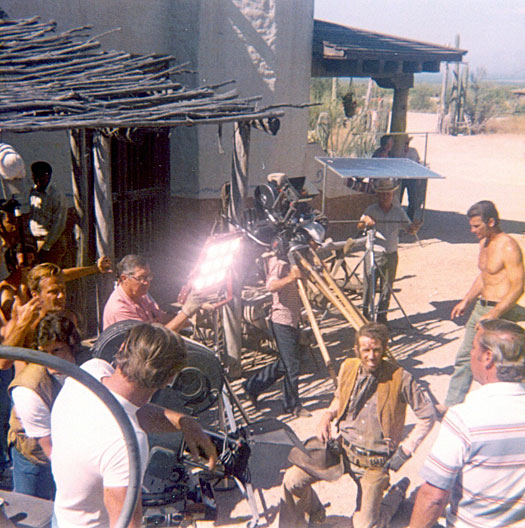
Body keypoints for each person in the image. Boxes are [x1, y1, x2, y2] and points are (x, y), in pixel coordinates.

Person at [51, 322, 217, 528]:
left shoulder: (89, 372)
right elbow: (126, 524)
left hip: (62, 517)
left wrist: (183, 422)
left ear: (122, 349)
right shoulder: (127, 443)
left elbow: (127, 409)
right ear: (169, 380)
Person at [278, 322, 436, 528]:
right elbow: (338, 398)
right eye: (366, 350)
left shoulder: (401, 378)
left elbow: (428, 415)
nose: (371, 356)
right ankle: (314, 513)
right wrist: (328, 414)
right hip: (342, 451)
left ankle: (394, 497)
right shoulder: (348, 368)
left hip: (374, 463)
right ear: (357, 350)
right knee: (292, 481)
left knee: (365, 525)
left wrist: (406, 449)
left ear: (384, 349)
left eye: (377, 350)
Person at [410, 319, 525, 528]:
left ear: (488, 358)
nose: (470, 354)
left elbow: (434, 496)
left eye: (473, 348)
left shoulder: (465, 418)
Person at [444, 200, 524, 408]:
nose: (472, 230)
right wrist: (466, 300)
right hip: (481, 307)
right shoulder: (484, 243)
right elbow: (484, 276)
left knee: (497, 362)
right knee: (465, 357)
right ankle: (452, 406)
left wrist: (495, 313)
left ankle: (497, 408)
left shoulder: (508, 245)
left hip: (501, 310)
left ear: (491, 222)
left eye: (477, 226)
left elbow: (518, 285)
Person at [7, 314, 81, 500]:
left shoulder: (86, 364)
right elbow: (49, 450)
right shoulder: (28, 389)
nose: (50, 360)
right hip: (35, 456)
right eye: (44, 353)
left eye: (57, 350)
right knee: (31, 511)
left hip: (68, 445)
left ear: (72, 346)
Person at [243, 249, 311, 418]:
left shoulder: (297, 260)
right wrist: (291, 278)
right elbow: (271, 286)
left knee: (286, 363)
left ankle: (252, 386)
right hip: (281, 321)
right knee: (292, 366)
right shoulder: (279, 263)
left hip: (293, 320)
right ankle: (292, 405)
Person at [357, 179, 419, 323]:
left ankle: (382, 317)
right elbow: (359, 226)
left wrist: (414, 227)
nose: (386, 197)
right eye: (383, 194)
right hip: (374, 253)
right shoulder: (371, 210)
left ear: (392, 195)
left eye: (388, 194)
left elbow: (409, 228)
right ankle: (365, 316)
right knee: (369, 287)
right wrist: (365, 220)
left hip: (391, 253)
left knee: (387, 288)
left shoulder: (398, 211)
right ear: (378, 195)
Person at [102, 254, 201, 333]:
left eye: (148, 277)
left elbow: (160, 318)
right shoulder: (120, 308)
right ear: (124, 278)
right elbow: (153, 341)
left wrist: (192, 316)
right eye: (141, 278)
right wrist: (186, 312)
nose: (146, 282)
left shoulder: (141, 296)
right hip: (133, 355)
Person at [28, 161, 68, 266]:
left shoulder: (56, 195)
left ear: (47, 176)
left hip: (51, 242)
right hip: (36, 241)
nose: (37, 180)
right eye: (34, 176)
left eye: (40, 176)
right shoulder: (33, 192)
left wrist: (47, 246)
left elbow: (59, 224)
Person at [397, 135, 426, 223]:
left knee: (413, 200)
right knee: (398, 199)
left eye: (407, 143)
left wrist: (419, 177)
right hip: (401, 178)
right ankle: (398, 219)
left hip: (412, 178)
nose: (406, 145)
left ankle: (409, 220)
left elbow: (417, 163)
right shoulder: (399, 153)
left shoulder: (413, 151)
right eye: (405, 143)